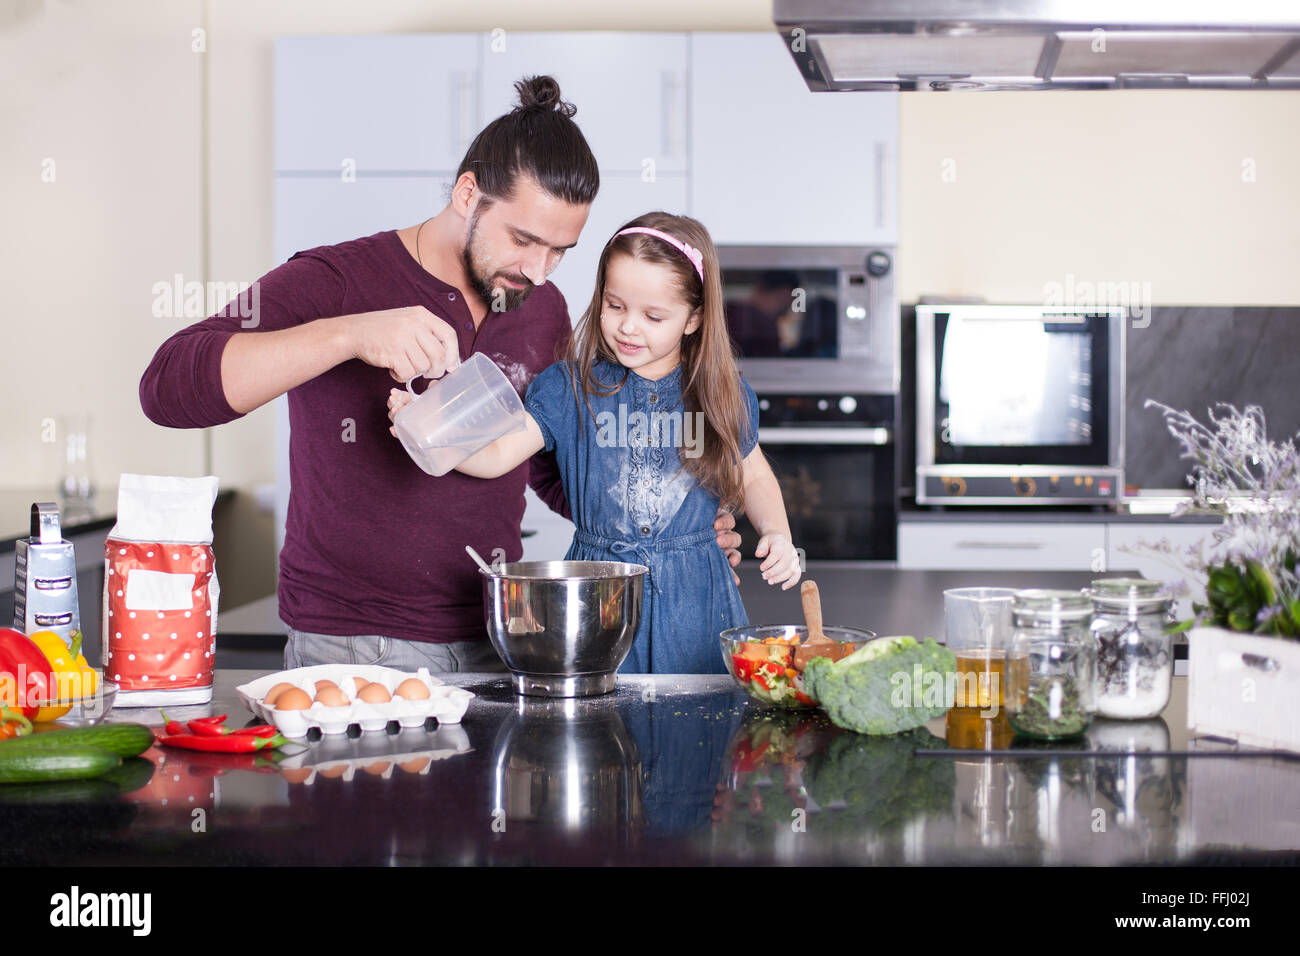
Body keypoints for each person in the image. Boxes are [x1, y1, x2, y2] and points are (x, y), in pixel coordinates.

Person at [138, 76, 742, 672]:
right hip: (357, 645)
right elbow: (167, 388)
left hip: (503, 632)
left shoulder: (542, 308)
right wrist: (349, 334)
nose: (540, 270)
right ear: (467, 195)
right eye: (525, 239)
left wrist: (669, 523)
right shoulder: (341, 279)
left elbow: (550, 464)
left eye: (561, 251)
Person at [388, 211, 803, 673]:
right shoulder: (568, 388)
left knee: (702, 731)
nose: (628, 327)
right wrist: (429, 428)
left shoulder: (720, 395)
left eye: (653, 316)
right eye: (615, 305)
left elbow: (755, 475)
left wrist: (778, 534)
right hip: (598, 596)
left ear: (694, 319)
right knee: (602, 729)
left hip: (699, 600)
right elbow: (497, 455)